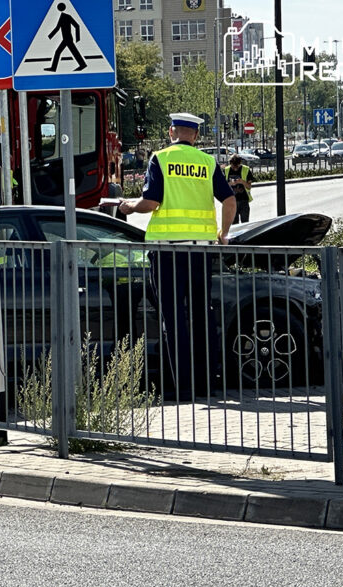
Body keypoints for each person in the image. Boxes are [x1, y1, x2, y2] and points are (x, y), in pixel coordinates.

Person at [116, 112, 237, 400]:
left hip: (168, 250)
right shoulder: (207, 162)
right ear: (195, 135)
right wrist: (223, 234)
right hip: (201, 249)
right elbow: (230, 200)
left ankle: (183, 388)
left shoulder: (161, 158)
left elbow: (151, 202)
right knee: (202, 315)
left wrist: (129, 206)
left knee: (173, 319)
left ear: (172, 132)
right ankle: (208, 383)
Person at [224, 154, 254, 223]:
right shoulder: (226, 170)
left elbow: (249, 187)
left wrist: (242, 182)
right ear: (230, 163)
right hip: (232, 202)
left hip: (244, 201)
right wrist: (230, 184)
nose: (235, 168)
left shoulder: (246, 169)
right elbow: (223, 187)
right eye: (233, 166)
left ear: (240, 163)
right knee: (234, 226)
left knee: (245, 224)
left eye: (237, 166)